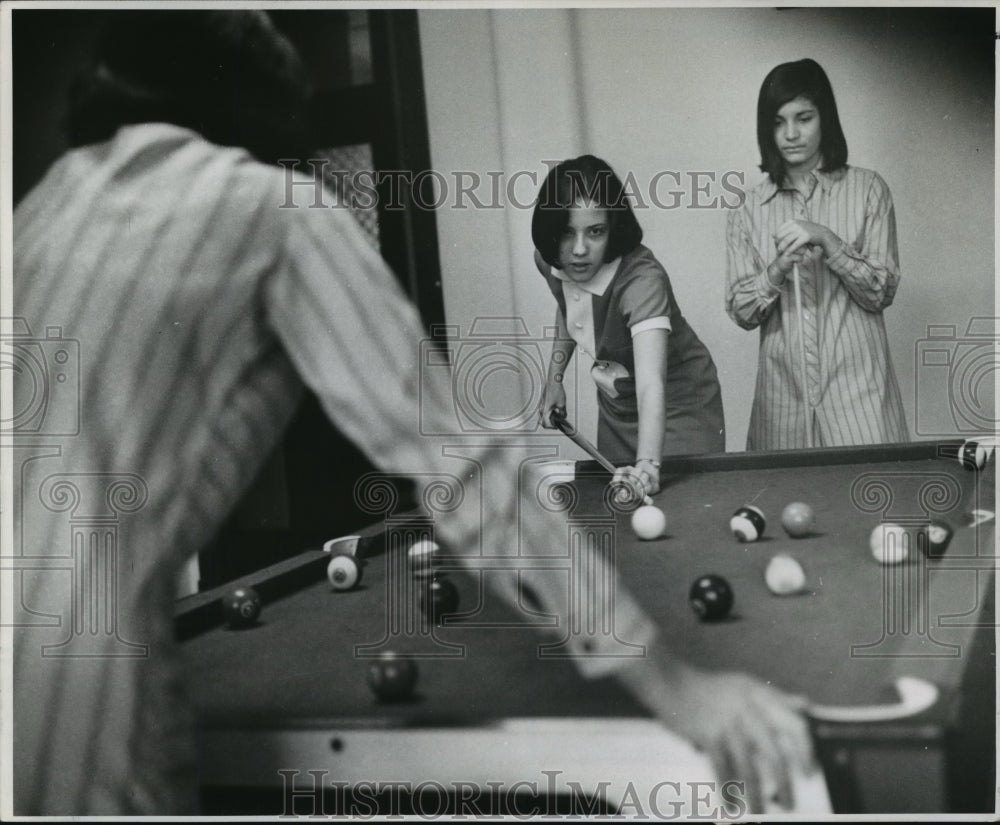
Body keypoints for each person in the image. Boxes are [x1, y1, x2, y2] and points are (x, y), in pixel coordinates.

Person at [10, 12, 811, 816]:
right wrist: (677, 686)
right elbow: (463, 468)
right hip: (80, 672)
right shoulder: (268, 206)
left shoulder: (39, 211)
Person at [725, 58, 908, 450]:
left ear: (825, 118)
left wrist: (829, 240)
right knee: (775, 510)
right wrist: (775, 270)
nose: (790, 133)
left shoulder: (869, 190)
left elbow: (880, 292)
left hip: (860, 401)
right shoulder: (747, 209)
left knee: (874, 508)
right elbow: (741, 311)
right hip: (781, 408)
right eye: (777, 122)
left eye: (803, 117)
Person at [534, 155, 725, 497]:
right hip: (617, 408)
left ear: (614, 227)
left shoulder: (642, 281)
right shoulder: (551, 261)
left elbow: (652, 384)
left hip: (679, 409)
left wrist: (649, 465)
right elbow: (568, 306)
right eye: (566, 232)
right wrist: (554, 379)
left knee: (684, 508)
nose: (579, 250)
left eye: (595, 232)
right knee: (620, 514)